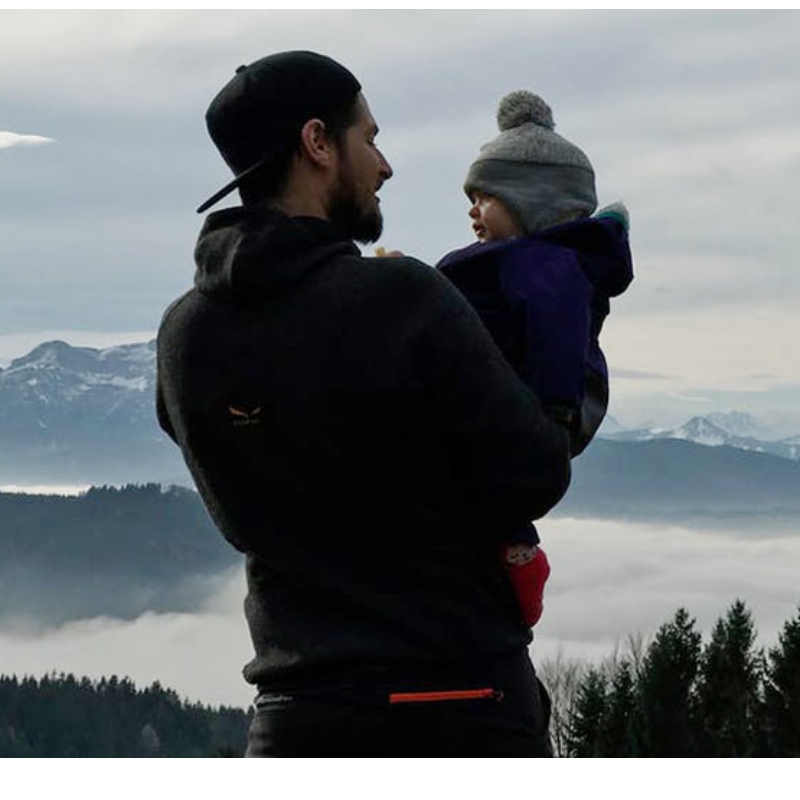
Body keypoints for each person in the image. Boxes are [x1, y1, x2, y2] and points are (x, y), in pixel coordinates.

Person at [156, 51, 571, 757]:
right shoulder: (402, 298)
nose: (384, 166)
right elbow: (537, 470)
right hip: (458, 707)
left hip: (294, 724)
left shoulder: (183, 336)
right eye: (369, 138)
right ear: (317, 143)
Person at [436, 90, 634, 629]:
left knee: (494, 490)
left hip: (533, 404)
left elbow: (557, 338)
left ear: (530, 201)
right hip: (510, 401)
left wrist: (553, 409)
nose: (474, 212)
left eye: (485, 199)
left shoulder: (546, 268)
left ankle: (522, 560)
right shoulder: (518, 263)